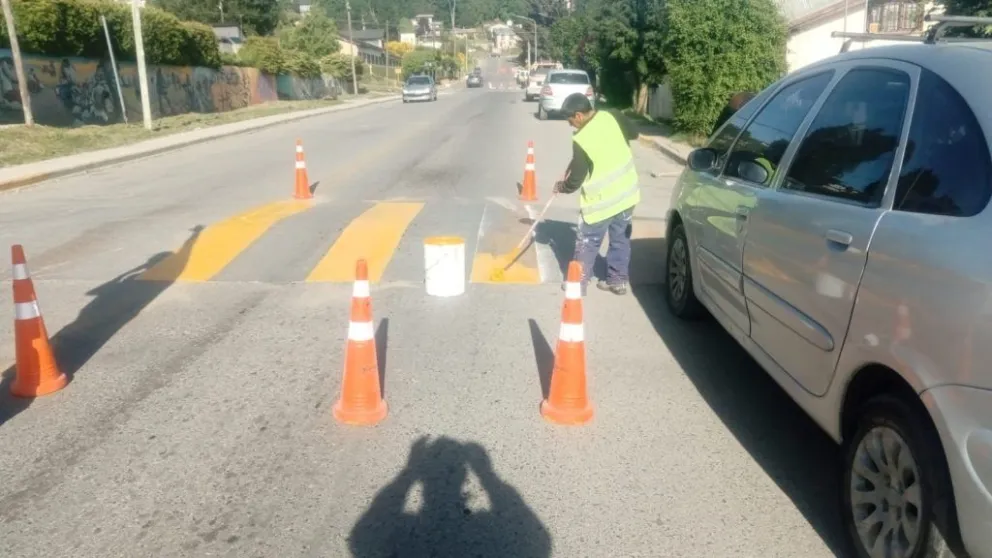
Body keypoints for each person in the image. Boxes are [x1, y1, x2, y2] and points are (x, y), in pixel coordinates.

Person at [553, 93, 640, 296]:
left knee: (588, 241)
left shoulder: (582, 139)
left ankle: (579, 283)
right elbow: (634, 133)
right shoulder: (614, 116)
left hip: (601, 202)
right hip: (627, 195)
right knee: (620, 239)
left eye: (570, 120)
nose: (570, 125)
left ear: (579, 115)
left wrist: (562, 187)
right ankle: (617, 281)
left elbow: (576, 179)